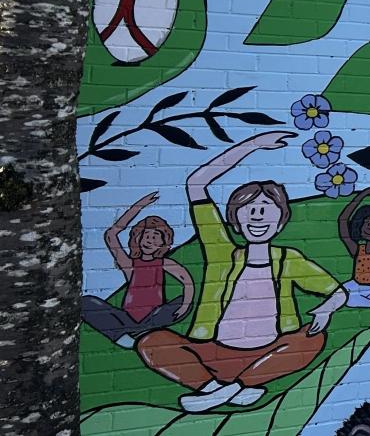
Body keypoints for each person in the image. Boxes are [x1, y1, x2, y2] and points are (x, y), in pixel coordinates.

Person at [136, 131, 347, 413]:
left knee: (312, 338)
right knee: (152, 342)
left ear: (280, 222)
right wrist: (253, 144)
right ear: (235, 221)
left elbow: (337, 292)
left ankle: (232, 388)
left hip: (266, 355)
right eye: (249, 209)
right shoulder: (222, 253)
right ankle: (215, 388)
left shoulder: (288, 259)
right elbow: (196, 183)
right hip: (214, 354)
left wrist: (326, 310)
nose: (258, 215)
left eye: (266, 208)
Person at [81, 192, 195, 350]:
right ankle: (125, 336)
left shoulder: (164, 263)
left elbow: (186, 280)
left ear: (163, 243)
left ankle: (140, 332)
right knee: (86, 302)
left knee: (183, 300)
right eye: (146, 235)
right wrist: (139, 206)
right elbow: (111, 235)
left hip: (154, 316)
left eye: (155, 237)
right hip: (128, 318)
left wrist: (184, 305)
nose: (149, 240)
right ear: (138, 238)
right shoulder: (129, 264)